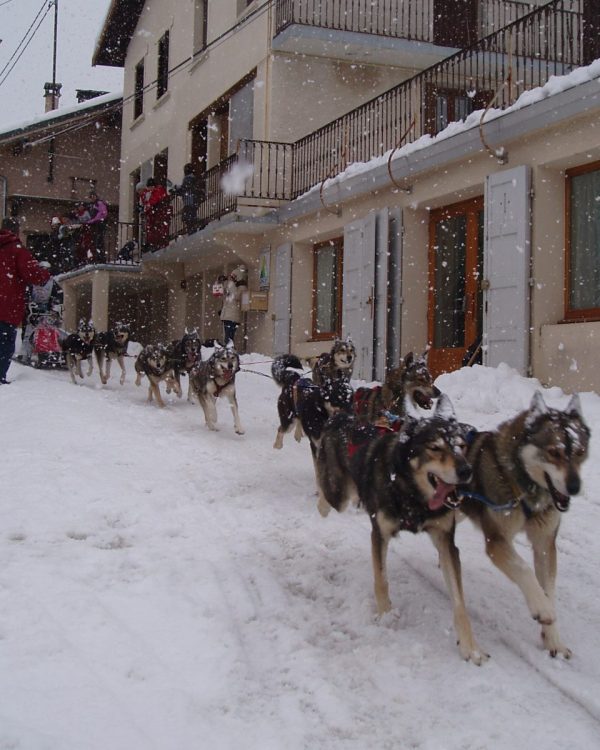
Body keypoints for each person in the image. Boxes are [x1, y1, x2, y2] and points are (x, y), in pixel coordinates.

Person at [0, 218, 51, 383]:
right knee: (4, 343)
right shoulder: (17, 250)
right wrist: (45, 273)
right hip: (7, 307)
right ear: (16, 231)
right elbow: (33, 275)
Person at [18, 262, 63, 364]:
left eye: (46, 269)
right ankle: (25, 352)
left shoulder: (53, 283)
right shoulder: (31, 282)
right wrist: (28, 302)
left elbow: (58, 295)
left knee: (50, 329)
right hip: (32, 309)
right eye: (42, 269)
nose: (44, 271)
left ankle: (50, 350)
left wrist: (55, 305)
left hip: (46, 309)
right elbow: (26, 294)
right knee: (29, 330)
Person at [139, 178, 171, 251]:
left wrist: (146, 208)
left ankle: (157, 245)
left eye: (150, 187)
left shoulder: (157, 192)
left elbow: (153, 202)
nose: (149, 189)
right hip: (156, 216)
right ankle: (156, 245)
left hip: (158, 216)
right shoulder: (153, 192)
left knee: (158, 231)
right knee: (156, 231)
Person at [220, 265, 248, 346]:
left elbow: (236, 296)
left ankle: (229, 352)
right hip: (228, 315)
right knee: (228, 337)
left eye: (234, 276)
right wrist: (225, 281)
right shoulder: (234, 286)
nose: (231, 278)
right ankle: (228, 350)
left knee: (229, 338)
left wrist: (231, 283)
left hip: (232, 317)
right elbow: (226, 291)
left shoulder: (242, 287)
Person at [171, 163, 201, 235]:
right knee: (189, 217)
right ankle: (195, 226)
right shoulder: (193, 179)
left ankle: (194, 229)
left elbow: (184, 189)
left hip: (189, 201)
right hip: (193, 201)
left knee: (188, 218)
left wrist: (176, 189)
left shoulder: (188, 179)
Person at [82, 191, 108, 263]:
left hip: (99, 224)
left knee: (99, 241)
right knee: (96, 241)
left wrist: (94, 220)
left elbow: (103, 213)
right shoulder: (93, 205)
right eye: (91, 197)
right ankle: (97, 257)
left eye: (93, 196)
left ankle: (100, 258)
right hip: (95, 224)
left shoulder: (98, 203)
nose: (92, 198)